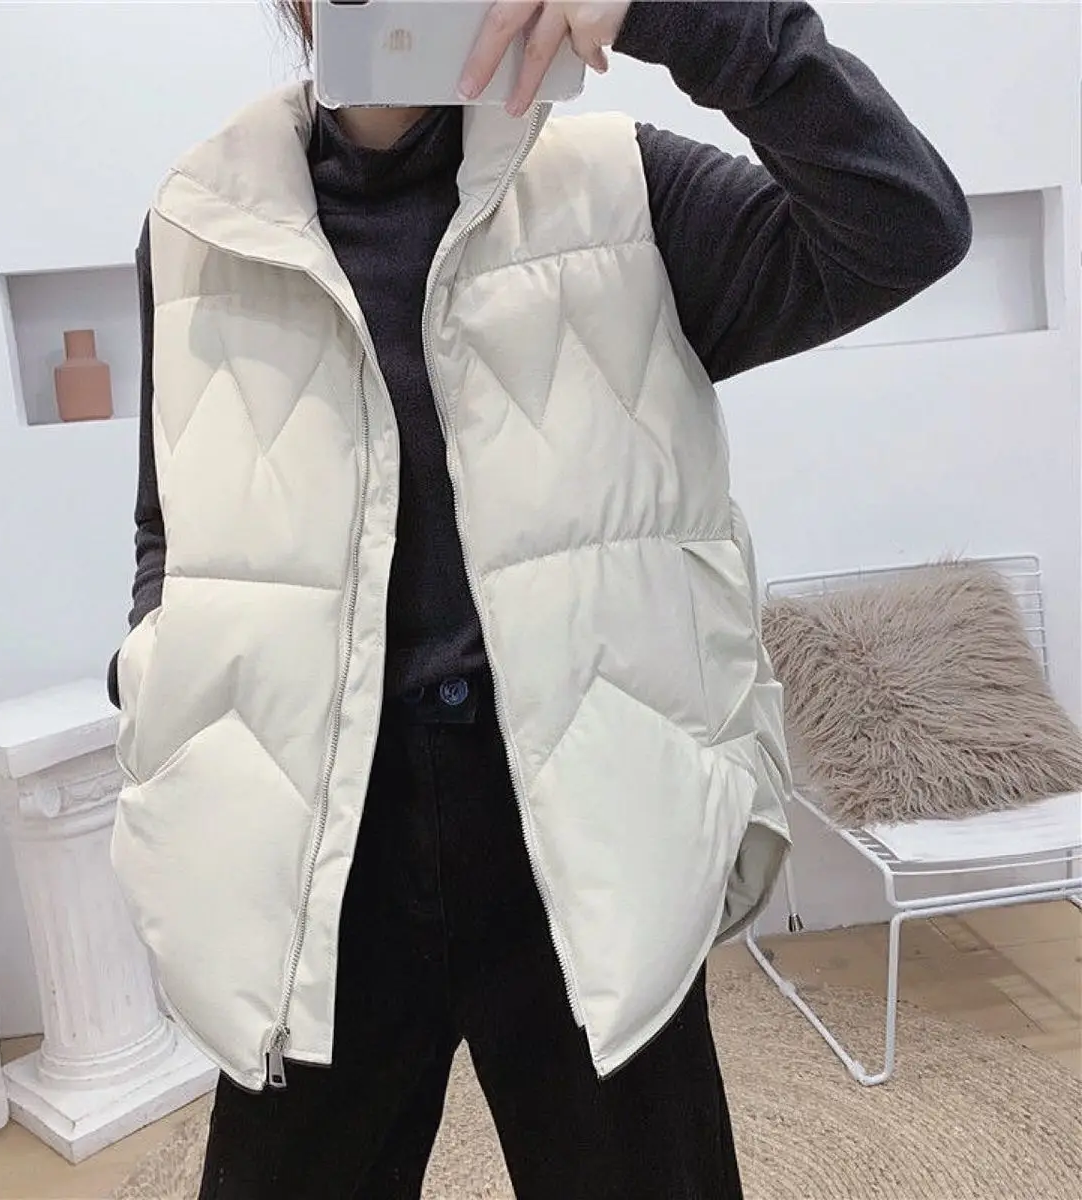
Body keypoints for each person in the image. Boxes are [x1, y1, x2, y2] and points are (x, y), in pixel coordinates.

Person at [107, 2, 971, 1196]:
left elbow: (905, 225)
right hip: (318, 833)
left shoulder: (621, 191)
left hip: (581, 811)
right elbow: (171, 522)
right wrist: (156, 684)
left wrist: (680, 15)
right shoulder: (199, 218)